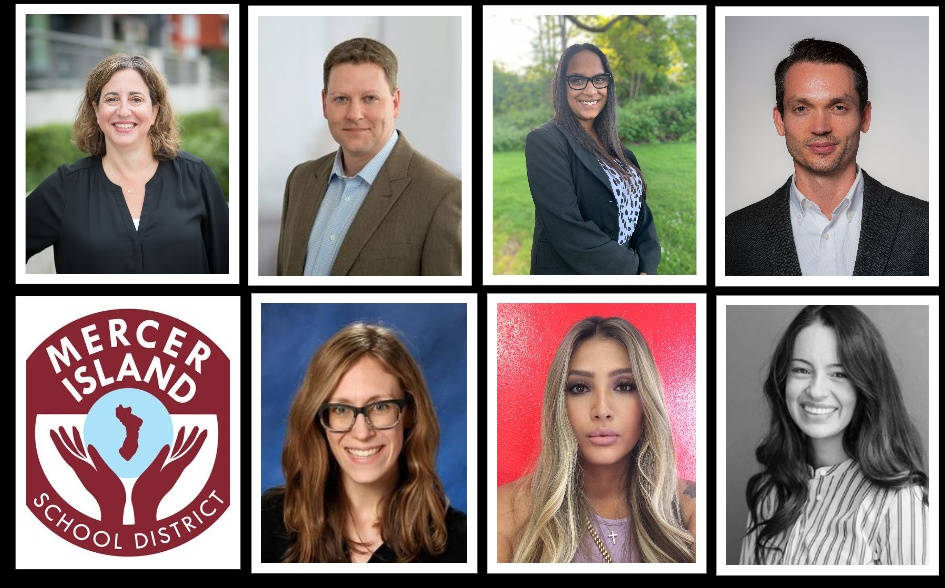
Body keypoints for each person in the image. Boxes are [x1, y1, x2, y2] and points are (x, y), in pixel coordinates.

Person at [261, 323, 466, 562]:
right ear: (318, 419)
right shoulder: (268, 522)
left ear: (410, 413)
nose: (362, 432)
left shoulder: (463, 544)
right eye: (340, 409)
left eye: (380, 407)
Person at [740, 306, 928, 564]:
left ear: (865, 385)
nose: (816, 391)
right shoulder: (767, 493)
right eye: (801, 370)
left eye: (839, 374)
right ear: (783, 379)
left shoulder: (899, 502)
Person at [497, 316, 694, 563]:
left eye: (623, 386)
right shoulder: (501, 511)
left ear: (647, 400)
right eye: (580, 388)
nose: (601, 409)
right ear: (560, 403)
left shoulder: (692, 509)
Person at [726, 39, 928, 276]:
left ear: (865, 117)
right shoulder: (733, 236)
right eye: (801, 108)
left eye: (838, 107)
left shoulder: (925, 227)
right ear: (780, 121)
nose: (820, 127)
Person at [26, 54, 228, 274]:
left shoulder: (196, 177)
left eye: (136, 99)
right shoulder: (65, 188)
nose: (123, 111)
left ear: (154, 111)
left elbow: (228, 269)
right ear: (96, 111)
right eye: (111, 99)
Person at [276, 38, 461, 276]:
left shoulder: (444, 196)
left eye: (369, 98)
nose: (354, 114)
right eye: (341, 99)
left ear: (394, 103)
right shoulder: (299, 181)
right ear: (325, 104)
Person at [525, 44, 661, 275]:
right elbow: (567, 229)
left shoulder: (622, 153)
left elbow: (642, 215)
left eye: (599, 79)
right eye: (578, 80)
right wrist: (632, 269)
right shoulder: (546, 142)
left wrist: (647, 267)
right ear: (562, 85)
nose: (590, 91)